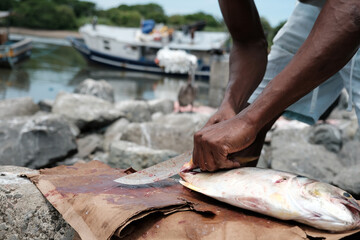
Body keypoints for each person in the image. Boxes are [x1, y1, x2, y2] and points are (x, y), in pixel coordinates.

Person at [192, 0, 360, 171]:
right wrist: (230, 104)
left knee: (250, 119)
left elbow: (352, 11)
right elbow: (247, 42)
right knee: (242, 118)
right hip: (316, 7)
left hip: (350, 6)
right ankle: (229, 192)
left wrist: (249, 121)